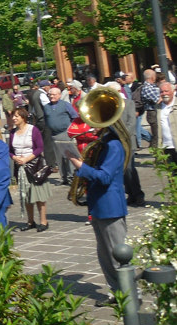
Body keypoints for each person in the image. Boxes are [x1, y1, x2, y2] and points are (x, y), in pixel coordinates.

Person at [66, 115, 129, 307]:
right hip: (100, 205)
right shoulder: (103, 143)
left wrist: (80, 166)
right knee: (104, 255)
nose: (90, 124)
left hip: (110, 206)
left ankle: (130, 295)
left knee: (118, 254)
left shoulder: (113, 145)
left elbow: (105, 177)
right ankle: (116, 293)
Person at [9, 108, 52, 232]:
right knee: (26, 195)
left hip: (34, 166)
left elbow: (39, 148)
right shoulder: (13, 132)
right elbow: (10, 150)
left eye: (17, 116)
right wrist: (15, 157)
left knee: (38, 194)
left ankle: (43, 221)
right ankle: (30, 221)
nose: (14, 118)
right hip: (20, 167)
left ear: (23, 117)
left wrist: (27, 159)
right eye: (13, 116)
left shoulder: (33, 130)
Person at [43, 87, 79, 185]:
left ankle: (71, 177)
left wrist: (70, 129)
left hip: (65, 134)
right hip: (54, 135)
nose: (52, 96)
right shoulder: (46, 107)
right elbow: (46, 119)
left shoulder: (65, 105)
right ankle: (64, 178)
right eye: (50, 94)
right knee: (59, 158)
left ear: (59, 95)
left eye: (54, 94)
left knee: (69, 156)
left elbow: (75, 116)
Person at [156, 81, 176, 170]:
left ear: (173, 91)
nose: (164, 94)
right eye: (161, 92)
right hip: (166, 147)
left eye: (166, 91)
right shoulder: (158, 107)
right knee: (171, 175)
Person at [142, 69, 161, 148]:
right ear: (152, 77)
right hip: (152, 112)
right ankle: (156, 151)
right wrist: (165, 95)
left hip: (155, 111)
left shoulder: (153, 86)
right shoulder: (147, 87)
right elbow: (157, 100)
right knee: (157, 133)